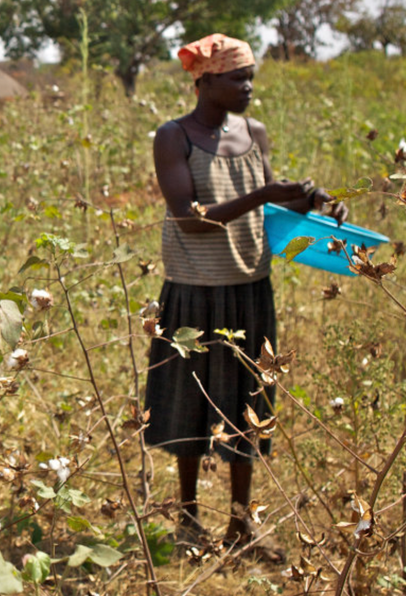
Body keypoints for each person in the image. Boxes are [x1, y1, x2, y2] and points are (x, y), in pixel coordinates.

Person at [143, 34, 346, 563]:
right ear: (205, 81)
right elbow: (191, 218)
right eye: (237, 77)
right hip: (193, 291)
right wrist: (263, 195)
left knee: (247, 407)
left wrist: (316, 202)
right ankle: (187, 519)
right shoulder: (174, 137)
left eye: (251, 76)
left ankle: (239, 525)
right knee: (189, 408)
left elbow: (275, 197)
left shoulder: (252, 133)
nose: (248, 87)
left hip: (249, 290)